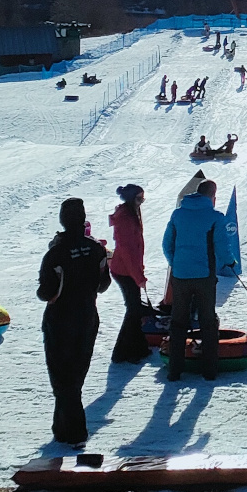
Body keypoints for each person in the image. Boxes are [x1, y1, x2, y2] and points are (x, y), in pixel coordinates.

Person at [36, 198, 111, 447]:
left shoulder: (56, 252)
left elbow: (47, 292)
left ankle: (74, 432)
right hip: (88, 317)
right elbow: (103, 284)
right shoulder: (96, 248)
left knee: (62, 377)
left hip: (61, 319)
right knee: (76, 374)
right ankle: (63, 429)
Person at [162, 179, 235, 381]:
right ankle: (209, 371)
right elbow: (222, 247)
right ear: (213, 195)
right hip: (204, 277)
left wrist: (175, 263)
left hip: (181, 276)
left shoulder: (178, 214)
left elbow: (167, 243)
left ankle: (174, 371)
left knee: (178, 322)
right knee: (207, 321)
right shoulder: (215, 217)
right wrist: (230, 262)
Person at [108, 185, 149, 365]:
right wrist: (137, 277)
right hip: (124, 270)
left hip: (129, 268)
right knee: (133, 310)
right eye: (139, 199)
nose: (141, 202)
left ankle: (138, 347)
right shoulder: (125, 218)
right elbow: (126, 251)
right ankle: (121, 352)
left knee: (135, 309)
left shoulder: (131, 213)